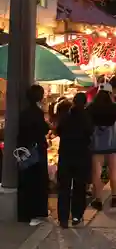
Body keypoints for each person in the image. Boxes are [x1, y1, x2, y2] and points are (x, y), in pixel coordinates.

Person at [87, 83, 116, 210]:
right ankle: (115, 197)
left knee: (96, 172)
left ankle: (98, 200)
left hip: (96, 143)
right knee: (113, 170)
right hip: (111, 142)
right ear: (110, 94)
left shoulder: (91, 107)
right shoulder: (113, 108)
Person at [56, 92, 93, 228]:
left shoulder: (65, 117)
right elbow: (90, 133)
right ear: (85, 103)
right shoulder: (86, 117)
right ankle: (77, 215)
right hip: (81, 156)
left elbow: (58, 131)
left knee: (64, 187)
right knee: (79, 187)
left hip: (65, 155)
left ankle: (63, 218)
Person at [17, 85, 50, 226]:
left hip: (24, 150)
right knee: (37, 182)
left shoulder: (23, 113)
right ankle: (35, 214)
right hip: (36, 151)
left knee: (25, 181)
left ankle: (24, 214)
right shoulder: (38, 113)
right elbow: (43, 129)